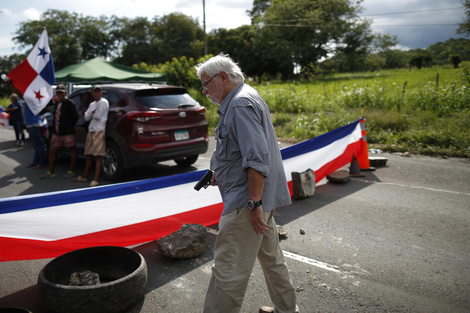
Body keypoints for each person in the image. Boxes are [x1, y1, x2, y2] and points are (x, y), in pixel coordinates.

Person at [195, 54, 298, 313]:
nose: (204, 90)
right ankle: (287, 309)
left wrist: (253, 204)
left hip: (247, 203)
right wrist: (222, 169)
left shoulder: (239, 104)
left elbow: (257, 159)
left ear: (223, 77)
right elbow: (241, 150)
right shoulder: (243, 96)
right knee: (272, 259)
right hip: (260, 199)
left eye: (205, 83)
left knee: (228, 271)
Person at [41, 84, 79, 179]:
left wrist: (68, 125)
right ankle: (51, 171)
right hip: (57, 133)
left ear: (65, 93)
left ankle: (71, 171)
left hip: (68, 132)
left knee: (72, 150)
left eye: (61, 93)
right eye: (58, 93)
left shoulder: (70, 103)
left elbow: (75, 117)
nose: (59, 94)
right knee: (52, 150)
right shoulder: (56, 103)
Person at [74, 85, 109, 187]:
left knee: (98, 156)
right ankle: (85, 176)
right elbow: (86, 117)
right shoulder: (92, 104)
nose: (97, 94)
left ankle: (96, 179)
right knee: (88, 155)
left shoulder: (104, 102)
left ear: (101, 93)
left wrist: (91, 113)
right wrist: (92, 113)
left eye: (98, 92)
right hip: (91, 130)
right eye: (95, 92)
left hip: (99, 130)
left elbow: (97, 116)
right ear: (92, 93)